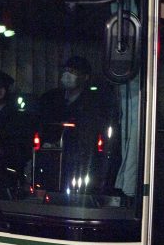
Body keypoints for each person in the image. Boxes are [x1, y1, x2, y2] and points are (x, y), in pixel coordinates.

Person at [36, 56, 120, 192]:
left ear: (85, 77)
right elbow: (43, 125)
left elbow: (92, 133)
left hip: (80, 165)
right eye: (66, 70)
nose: (67, 75)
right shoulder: (50, 99)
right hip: (51, 161)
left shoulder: (94, 103)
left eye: (73, 71)